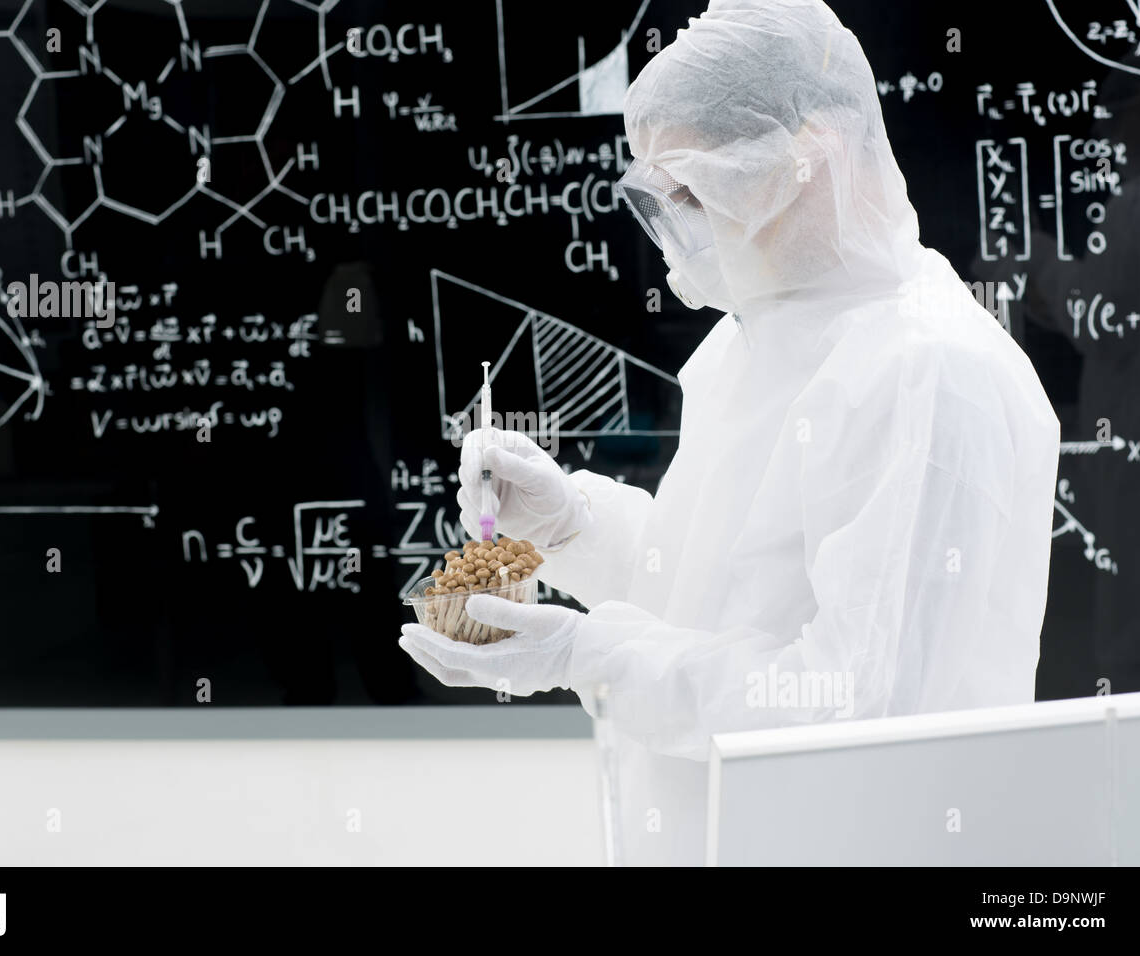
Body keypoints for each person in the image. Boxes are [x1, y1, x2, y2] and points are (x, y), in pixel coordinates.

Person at [399, 0, 1060, 865]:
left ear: (809, 155)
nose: (678, 222)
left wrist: (587, 653)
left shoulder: (926, 370)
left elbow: (853, 705)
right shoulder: (755, 337)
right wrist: (570, 525)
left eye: (692, 187)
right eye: (661, 193)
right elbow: (716, 587)